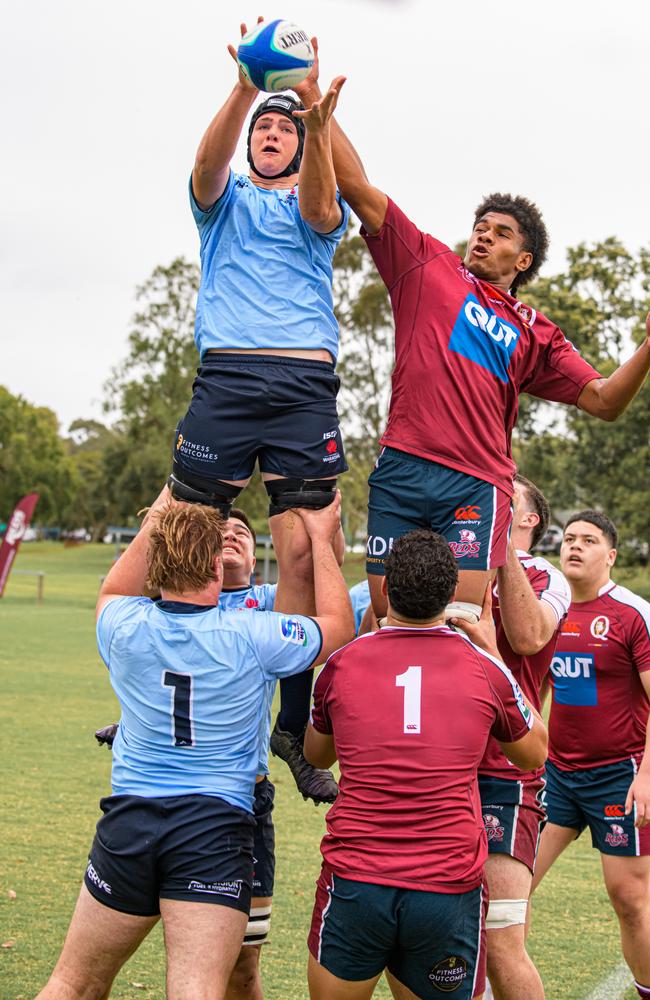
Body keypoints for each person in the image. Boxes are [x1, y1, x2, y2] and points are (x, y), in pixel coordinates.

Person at [292, 44, 650, 628]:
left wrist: (648, 348)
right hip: (403, 467)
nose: (482, 236)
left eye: (501, 233)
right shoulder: (428, 265)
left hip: (476, 482)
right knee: (388, 619)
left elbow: (605, 401)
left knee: (459, 620)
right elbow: (356, 185)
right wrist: (315, 106)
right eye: (479, 227)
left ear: (524, 256)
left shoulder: (536, 332)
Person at [37, 488, 354, 1000]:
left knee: (72, 983)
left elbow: (116, 587)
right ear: (213, 565)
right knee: (196, 989)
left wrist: (177, 486)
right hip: (213, 830)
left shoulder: (122, 623)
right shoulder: (252, 632)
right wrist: (319, 538)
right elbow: (338, 629)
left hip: (129, 822)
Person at [168, 22, 350, 798]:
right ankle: (155, 695)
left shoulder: (319, 205)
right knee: (182, 534)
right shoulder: (224, 201)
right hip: (230, 380)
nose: (271, 136)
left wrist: (317, 123)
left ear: (302, 147)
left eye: (285, 129)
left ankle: (293, 723)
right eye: (262, 130)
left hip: (303, 385)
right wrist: (246, 85)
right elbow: (204, 165)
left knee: (305, 548)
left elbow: (319, 208)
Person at [304, 529, 549, 1000]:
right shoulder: (484, 666)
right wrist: (495, 654)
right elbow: (533, 752)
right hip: (446, 884)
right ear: (453, 594)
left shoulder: (343, 664)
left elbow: (317, 754)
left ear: (386, 591)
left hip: (358, 878)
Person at [531, 511, 650, 1000]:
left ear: (611, 555)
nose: (574, 546)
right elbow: (533, 689)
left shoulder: (631, 613)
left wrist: (645, 775)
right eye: (569, 539)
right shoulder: (547, 610)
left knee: (629, 900)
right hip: (555, 776)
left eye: (589, 540)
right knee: (510, 890)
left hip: (618, 777)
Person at [475, 476, 571, 1000]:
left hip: (503, 771)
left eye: (505, 491)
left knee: (501, 938)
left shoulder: (544, 575)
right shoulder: (460, 563)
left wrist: (499, 543)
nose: (489, 491)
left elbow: (529, 636)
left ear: (530, 518)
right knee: (434, 931)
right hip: (440, 764)